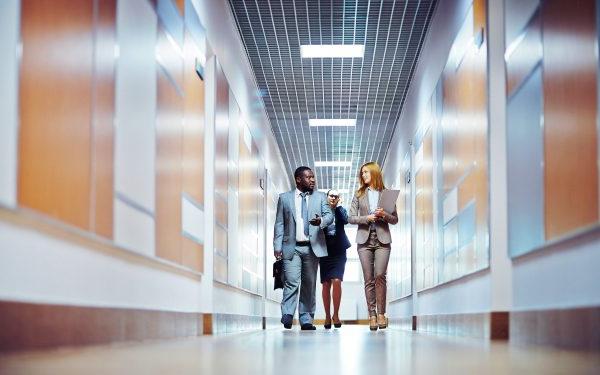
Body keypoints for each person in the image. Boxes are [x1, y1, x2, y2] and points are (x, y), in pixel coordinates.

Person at [273, 166, 334, 330]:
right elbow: (279, 223)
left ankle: (306, 319)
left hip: (312, 248)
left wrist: (321, 221)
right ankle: (287, 314)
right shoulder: (285, 198)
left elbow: (329, 216)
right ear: (298, 179)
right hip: (291, 247)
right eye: (308, 177)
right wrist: (277, 246)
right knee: (291, 282)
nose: (312, 180)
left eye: (313, 177)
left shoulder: (320, 197)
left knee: (309, 284)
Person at [349, 162, 398, 331]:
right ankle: (372, 315)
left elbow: (395, 219)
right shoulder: (359, 194)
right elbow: (351, 218)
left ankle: (382, 313)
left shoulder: (387, 194)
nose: (363, 175)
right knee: (368, 279)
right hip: (364, 241)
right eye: (362, 173)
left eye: (366, 172)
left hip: (383, 240)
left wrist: (384, 214)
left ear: (375, 173)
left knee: (380, 276)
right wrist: (367, 218)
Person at [320, 189, 351, 329]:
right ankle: (327, 316)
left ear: (339, 198)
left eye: (336, 196)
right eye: (331, 195)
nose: (333, 197)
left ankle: (336, 315)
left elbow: (345, 220)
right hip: (324, 250)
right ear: (326, 197)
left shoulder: (341, 210)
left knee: (337, 280)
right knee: (326, 284)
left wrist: (338, 206)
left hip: (339, 251)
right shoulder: (321, 210)